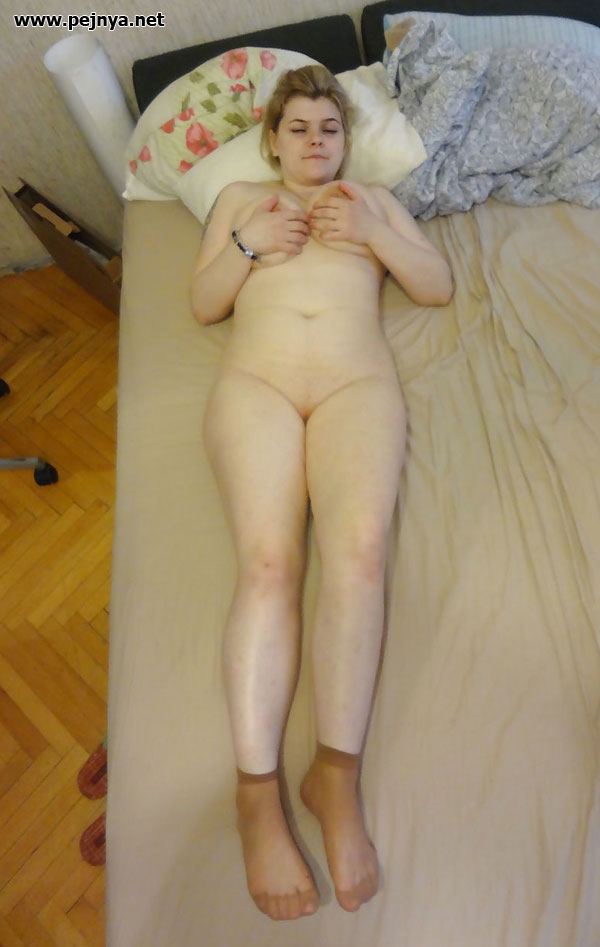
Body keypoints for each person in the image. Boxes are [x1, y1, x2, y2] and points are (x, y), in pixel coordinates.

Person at [191, 64, 453, 923]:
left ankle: (334, 776)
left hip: (354, 383)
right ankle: (256, 794)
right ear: (272, 140)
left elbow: (435, 284)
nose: (315, 141)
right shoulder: (240, 199)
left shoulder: (370, 199)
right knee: (269, 563)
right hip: (258, 383)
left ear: (345, 140)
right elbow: (203, 304)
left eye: (329, 128)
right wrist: (247, 246)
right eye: (298, 128)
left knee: (360, 553)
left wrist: (373, 233)